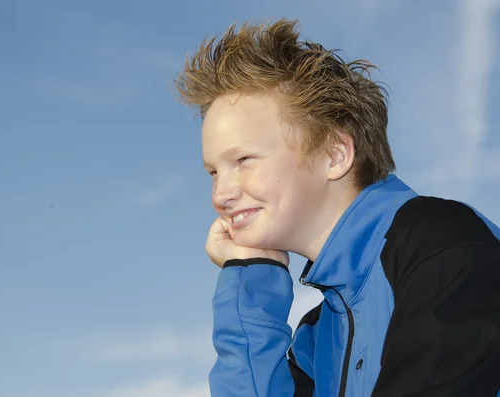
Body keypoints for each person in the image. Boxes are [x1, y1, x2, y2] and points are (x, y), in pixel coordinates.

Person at [173, 18, 500, 397]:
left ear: (334, 154)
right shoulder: (317, 335)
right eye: (213, 171)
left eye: (243, 159)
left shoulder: (443, 246)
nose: (220, 195)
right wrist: (250, 275)